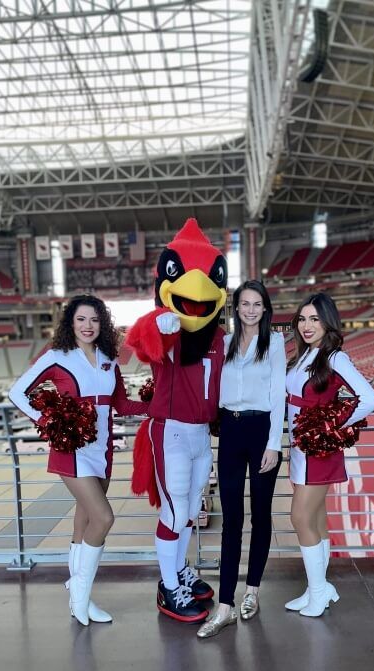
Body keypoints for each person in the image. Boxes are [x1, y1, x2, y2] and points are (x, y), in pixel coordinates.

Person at [8, 294, 148, 626]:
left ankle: (77, 591)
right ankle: (80, 597)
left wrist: (156, 407)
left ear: (103, 324)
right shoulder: (57, 356)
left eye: (95, 320)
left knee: (84, 521)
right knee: (103, 518)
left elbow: (122, 405)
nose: (88, 326)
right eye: (81, 319)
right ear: (71, 322)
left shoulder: (109, 359)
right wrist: (48, 422)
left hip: (102, 450)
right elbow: (18, 392)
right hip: (71, 449)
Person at [126, 218, 227, 623]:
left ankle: (179, 570)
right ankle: (168, 587)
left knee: (188, 510)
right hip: (169, 432)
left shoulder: (218, 337)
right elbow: (141, 338)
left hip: (201, 435)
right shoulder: (167, 328)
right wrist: (157, 321)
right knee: (172, 511)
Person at [197, 280, 286, 638]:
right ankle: (225, 606)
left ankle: (253, 591)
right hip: (231, 432)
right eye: (244, 303)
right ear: (236, 308)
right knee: (232, 519)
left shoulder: (275, 343)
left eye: (257, 304)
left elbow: (278, 394)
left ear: (265, 309)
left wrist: (274, 444)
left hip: (261, 430)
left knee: (260, 515)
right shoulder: (225, 343)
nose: (250, 309)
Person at [284, 292, 374, 617]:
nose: (307, 325)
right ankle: (317, 589)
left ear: (328, 322)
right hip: (299, 448)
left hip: (316, 451)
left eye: (315, 319)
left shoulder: (335, 358)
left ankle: (319, 592)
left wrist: (329, 424)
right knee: (317, 518)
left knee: (300, 517)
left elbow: (369, 399)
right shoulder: (304, 356)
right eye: (303, 319)